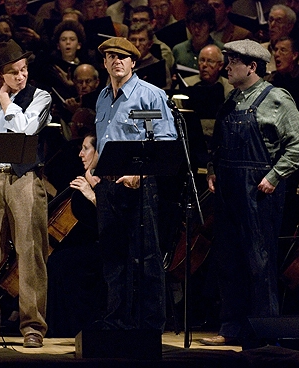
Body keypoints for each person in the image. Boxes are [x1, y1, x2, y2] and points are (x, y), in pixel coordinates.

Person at [203, 39, 299, 346]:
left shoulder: (276, 98)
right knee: (229, 260)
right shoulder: (232, 99)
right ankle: (232, 328)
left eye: (233, 61)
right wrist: (213, 170)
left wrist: (275, 176)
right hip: (229, 190)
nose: (227, 66)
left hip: (258, 190)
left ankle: (265, 332)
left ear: (252, 66)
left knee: (259, 261)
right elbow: (219, 143)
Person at [0, 39, 51, 348]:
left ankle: (32, 326)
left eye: (24, 70)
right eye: (13, 72)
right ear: (0, 73)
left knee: (30, 253)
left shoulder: (40, 96)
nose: (21, 77)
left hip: (23, 179)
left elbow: (24, 133)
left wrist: (5, 103)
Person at [92, 37, 177, 331]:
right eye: (111, 56)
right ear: (104, 62)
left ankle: (150, 325)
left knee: (146, 258)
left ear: (133, 62)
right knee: (113, 259)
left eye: (123, 57)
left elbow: (166, 141)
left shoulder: (151, 95)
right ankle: (116, 322)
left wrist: (140, 175)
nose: (117, 61)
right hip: (108, 186)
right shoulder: (102, 96)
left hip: (138, 187)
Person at [46, 131, 106, 337]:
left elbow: (112, 218)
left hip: (106, 246)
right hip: (87, 245)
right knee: (56, 260)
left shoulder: (107, 179)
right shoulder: (86, 176)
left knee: (59, 263)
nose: (80, 154)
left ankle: (68, 326)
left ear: (98, 152)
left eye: (86, 149)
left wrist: (91, 193)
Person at [263, 36, 299, 116]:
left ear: (295, 55)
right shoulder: (268, 81)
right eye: (276, 50)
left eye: (283, 50)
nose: (276, 54)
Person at [172, 2, 223, 70]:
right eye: (193, 24)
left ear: (210, 25)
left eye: (202, 25)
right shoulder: (178, 50)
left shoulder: (221, 50)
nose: (196, 30)